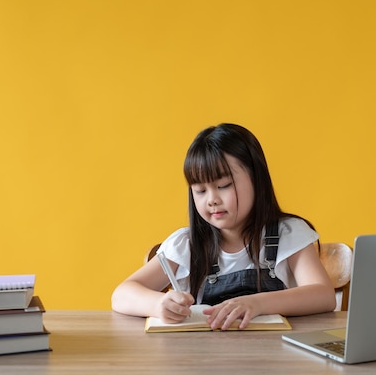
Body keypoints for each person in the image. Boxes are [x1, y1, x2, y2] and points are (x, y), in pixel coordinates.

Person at [111, 123, 336, 329]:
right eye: (200, 191)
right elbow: (121, 295)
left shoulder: (289, 234)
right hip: (206, 363)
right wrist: (159, 303)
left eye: (223, 185)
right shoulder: (187, 245)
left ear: (257, 179)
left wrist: (257, 303)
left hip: (274, 363)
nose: (212, 199)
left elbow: (323, 295)